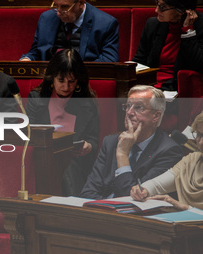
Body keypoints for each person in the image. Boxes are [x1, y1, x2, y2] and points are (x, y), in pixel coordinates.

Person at [80, 85, 184, 199]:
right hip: (103, 211)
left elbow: (135, 198)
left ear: (156, 116)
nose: (129, 112)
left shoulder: (169, 151)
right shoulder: (110, 142)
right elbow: (88, 192)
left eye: (138, 107)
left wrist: (122, 155)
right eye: (128, 106)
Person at [26, 49, 99, 196]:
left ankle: (70, 207)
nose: (66, 87)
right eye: (61, 80)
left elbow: (93, 139)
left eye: (71, 81)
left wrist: (88, 146)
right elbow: (29, 136)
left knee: (69, 163)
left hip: (76, 163)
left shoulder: (87, 103)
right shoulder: (36, 98)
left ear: (78, 80)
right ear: (52, 77)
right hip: (42, 160)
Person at [131, 111, 203, 210]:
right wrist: (143, 189)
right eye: (199, 135)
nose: (200, 142)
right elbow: (157, 185)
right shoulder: (192, 161)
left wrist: (186, 208)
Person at [132, 0, 203, 92]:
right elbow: (139, 60)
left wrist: (188, 31)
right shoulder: (153, 24)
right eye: (157, 4)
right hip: (150, 85)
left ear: (181, 10)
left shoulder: (200, 26)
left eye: (163, 7)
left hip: (180, 88)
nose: (156, 10)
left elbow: (198, 65)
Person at [20, 0, 119, 62]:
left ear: (81, 3)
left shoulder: (106, 23)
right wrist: (27, 59)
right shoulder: (46, 18)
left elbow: (109, 61)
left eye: (64, 7)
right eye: (56, 5)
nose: (58, 12)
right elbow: (36, 52)